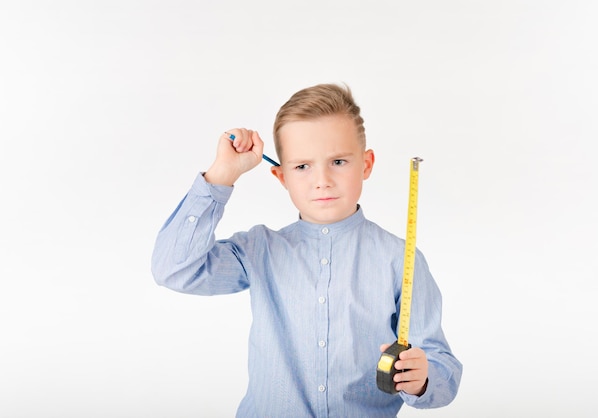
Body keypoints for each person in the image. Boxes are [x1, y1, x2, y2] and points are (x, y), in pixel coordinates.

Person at [151, 83, 462, 417]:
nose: (322, 180)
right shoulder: (258, 250)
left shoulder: (401, 260)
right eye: (302, 166)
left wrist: (422, 378)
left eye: (339, 161)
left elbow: (441, 366)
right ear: (281, 176)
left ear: (367, 164)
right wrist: (220, 177)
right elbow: (174, 269)